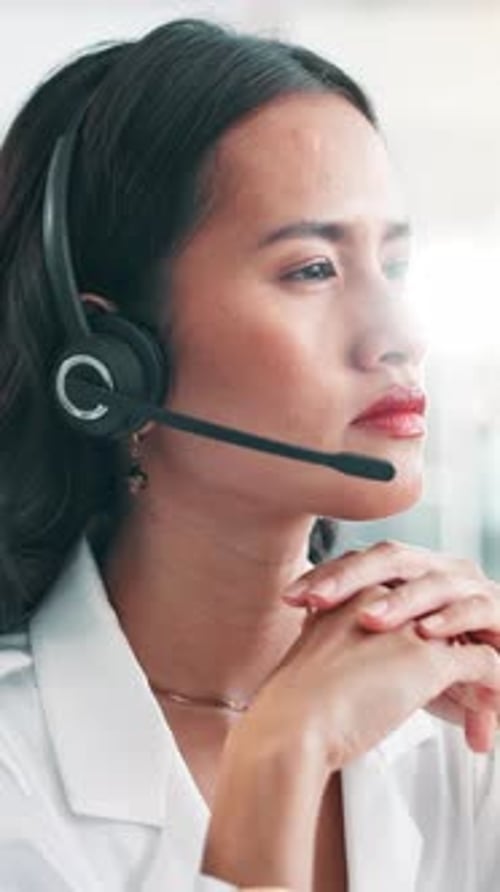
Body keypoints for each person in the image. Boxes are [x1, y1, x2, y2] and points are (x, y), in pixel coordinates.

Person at [0, 16, 499, 892]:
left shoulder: (462, 722)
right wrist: (280, 757)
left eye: (395, 266)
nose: (399, 337)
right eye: (312, 269)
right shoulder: (15, 777)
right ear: (109, 364)